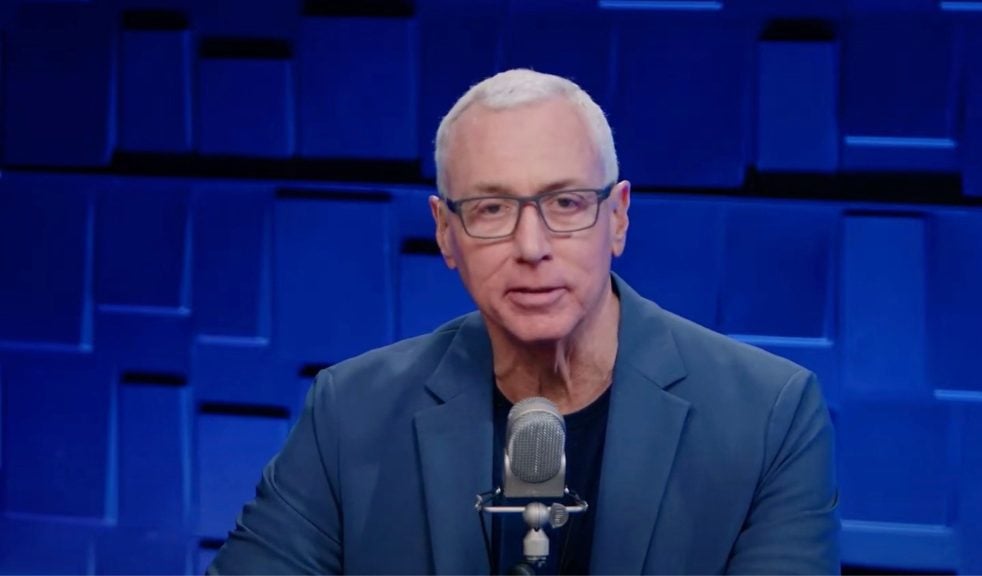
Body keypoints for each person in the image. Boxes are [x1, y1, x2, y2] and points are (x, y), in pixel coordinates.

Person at [208, 69, 839, 574]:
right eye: (491, 208)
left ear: (617, 218)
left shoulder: (768, 417)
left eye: (566, 203)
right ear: (445, 233)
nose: (531, 245)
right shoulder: (352, 412)